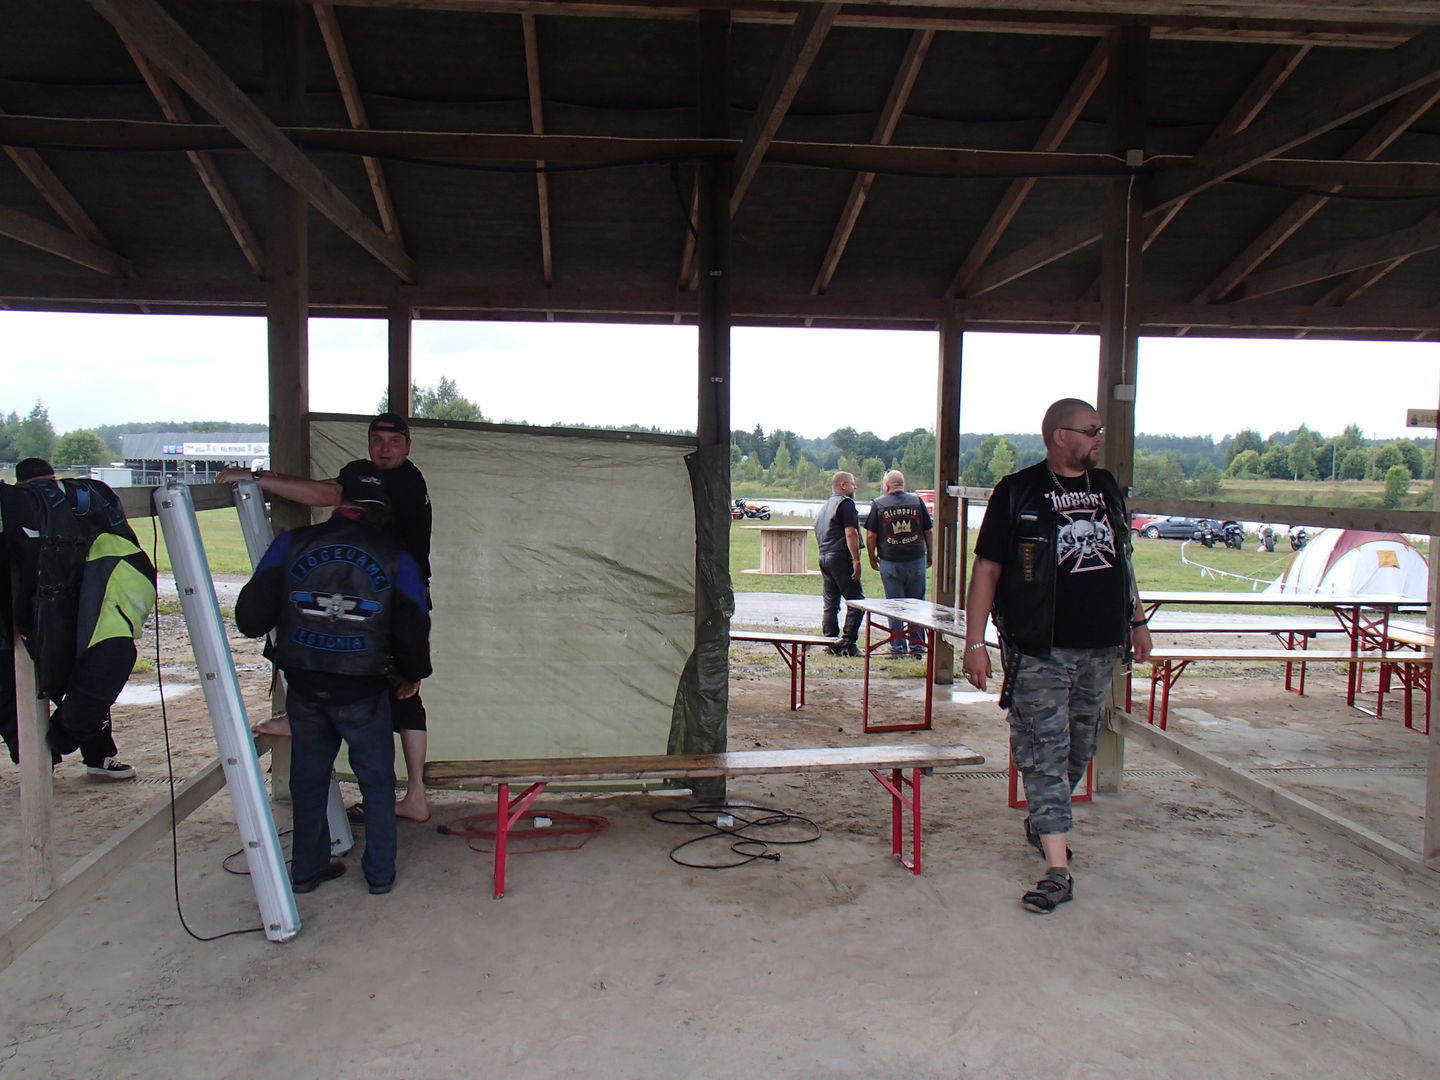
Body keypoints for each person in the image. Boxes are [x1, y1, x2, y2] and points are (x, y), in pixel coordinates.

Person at [960, 400, 1151, 914]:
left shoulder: (1105, 487)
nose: (1099, 437)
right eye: (1091, 430)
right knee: (1044, 748)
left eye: (1099, 429)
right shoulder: (1017, 490)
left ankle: (1044, 822)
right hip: (1038, 647)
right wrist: (974, 643)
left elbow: (1123, 560)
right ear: (1060, 435)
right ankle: (1056, 868)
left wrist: (1137, 622)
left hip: (1101, 645)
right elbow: (987, 571)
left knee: (1078, 747)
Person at [219, 412, 435, 822]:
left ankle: (410, 794)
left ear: (408, 446)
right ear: (368, 443)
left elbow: (326, 494)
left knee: (403, 689)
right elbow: (331, 491)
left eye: (394, 441)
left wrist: (256, 478)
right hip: (386, 590)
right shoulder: (385, 478)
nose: (385, 448)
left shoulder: (403, 480)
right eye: (377, 440)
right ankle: (413, 795)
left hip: (393, 594)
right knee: (400, 689)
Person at [234, 460, 431, 896]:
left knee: (308, 777)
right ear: (382, 507)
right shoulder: (398, 558)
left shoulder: (291, 544)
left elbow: (249, 618)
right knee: (376, 780)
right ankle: (379, 875)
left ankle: (306, 870)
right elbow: (413, 630)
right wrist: (413, 675)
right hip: (363, 685)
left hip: (304, 681)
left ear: (338, 495)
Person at [0, 458, 155, 778]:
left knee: (74, 672)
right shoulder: (78, 504)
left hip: (56, 602)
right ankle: (64, 755)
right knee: (80, 672)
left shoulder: (51, 508)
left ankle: (56, 754)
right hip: (61, 602)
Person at [865, 470, 934, 658]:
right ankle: (917, 647)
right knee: (916, 603)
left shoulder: (879, 504)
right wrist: (930, 554)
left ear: (887, 485)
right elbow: (928, 531)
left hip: (890, 561)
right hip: (916, 559)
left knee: (894, 605)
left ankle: (898, 648)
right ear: (903, 484)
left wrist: (871, 556)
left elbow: (871, 535)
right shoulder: (917, 501)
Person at [815, 471, 864, 657]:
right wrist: (856, 560)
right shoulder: (846, 503)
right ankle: (848, 642)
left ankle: (830, 641)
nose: (855, 487)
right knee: (857, 601)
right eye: (852, 483)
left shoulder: (825, 507)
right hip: (840, 556)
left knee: (831, 602)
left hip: (824, 556)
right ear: (843, 485)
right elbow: (851, 532)